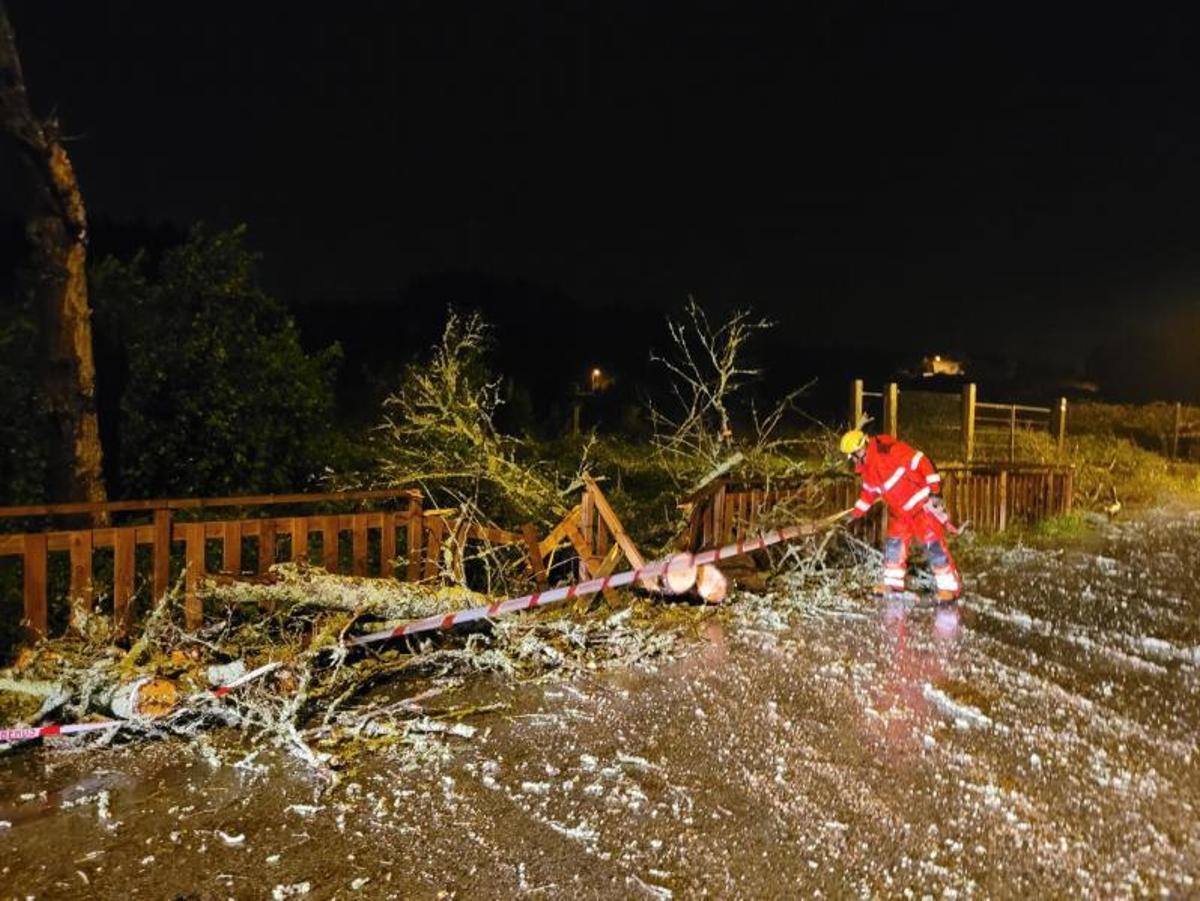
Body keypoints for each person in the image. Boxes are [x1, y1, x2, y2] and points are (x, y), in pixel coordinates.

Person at [839, 429, 962, 603]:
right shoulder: (867, 469)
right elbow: (868, 493)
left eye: (856, 453)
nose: (856, 458)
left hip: (921, 506)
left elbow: (922, 461)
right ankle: (892, 584)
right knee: (894, 546)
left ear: (865, 444)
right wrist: (856, 513)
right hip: (899, 512)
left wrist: (934, 490)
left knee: (933, 546)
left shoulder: (889, 450)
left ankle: (949, 589)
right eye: (853, 456)